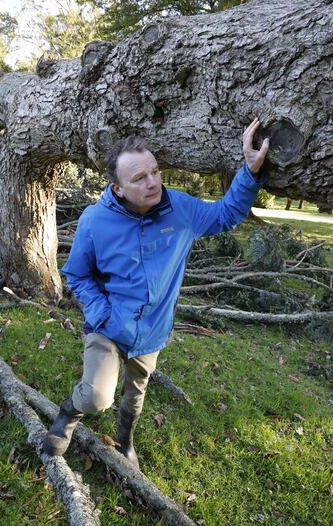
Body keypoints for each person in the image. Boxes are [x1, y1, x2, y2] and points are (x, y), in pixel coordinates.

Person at [42, 119, 270, 468]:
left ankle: (125, 442)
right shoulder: (94, 220)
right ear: (118, 188)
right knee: (98, 396)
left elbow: (225, 214)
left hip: (152, 330)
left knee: (136, 393)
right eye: (139, 178)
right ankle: (68, 414)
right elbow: (77, 273)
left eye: (155, 172)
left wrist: (250, 173)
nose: (153, 183)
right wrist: (102, 314)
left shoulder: (180, 209)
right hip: (107, 325)